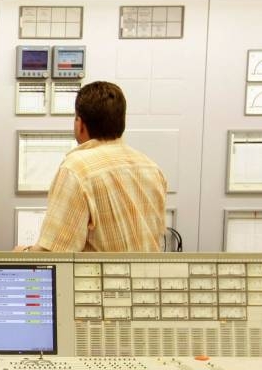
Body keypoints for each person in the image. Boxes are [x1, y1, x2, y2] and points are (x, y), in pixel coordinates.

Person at [15, 80, 168, 252]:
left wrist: (22, 253)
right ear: (121, 122)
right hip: (147, 278)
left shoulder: (77, 169)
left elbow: (55, 255)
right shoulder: (151, 168)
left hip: (100, 279)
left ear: (80, 124)